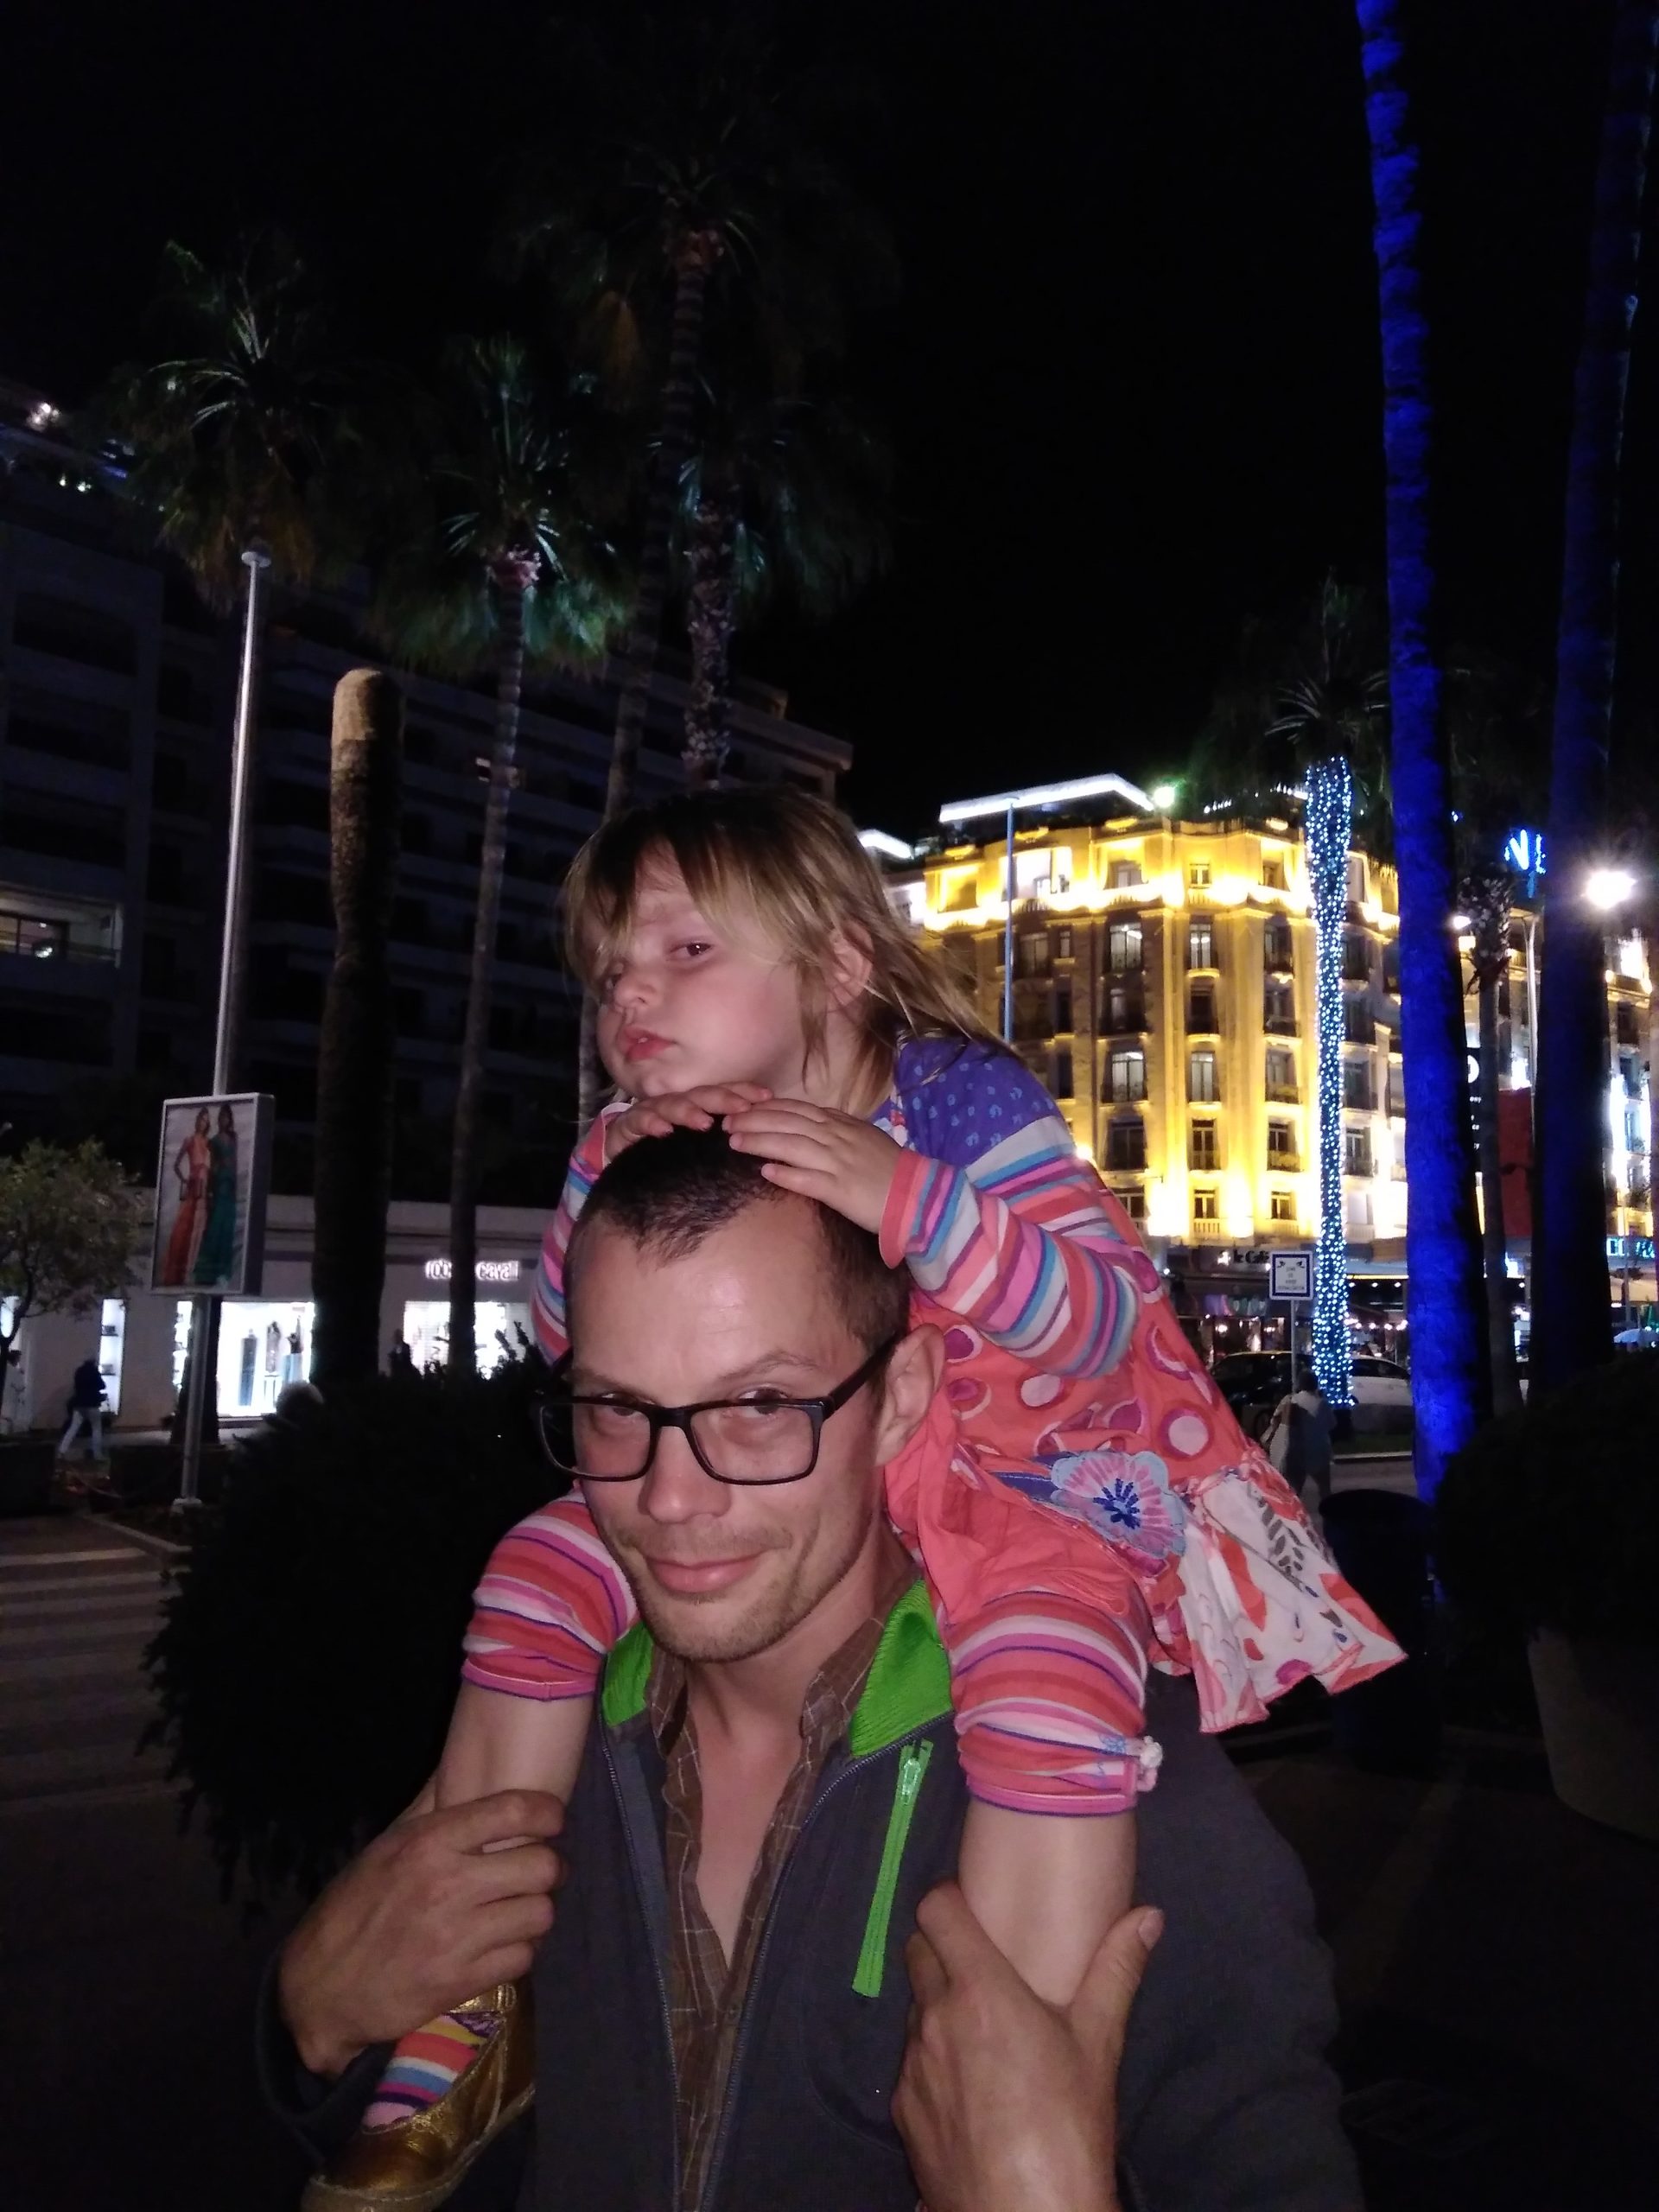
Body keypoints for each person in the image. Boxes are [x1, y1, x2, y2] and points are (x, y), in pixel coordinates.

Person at [314, 789, 1396, 2196]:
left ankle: (1014, 2053)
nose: (630, 998)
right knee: (533, 1565)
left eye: (684, 952)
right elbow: (577, 1341)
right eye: (611, 971)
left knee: (1051, 1685)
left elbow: (1104, 1318)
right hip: (826, 1498)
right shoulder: (636, 1141)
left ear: (834, 963)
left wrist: (912, 1201)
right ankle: (463, 1997)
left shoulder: (953, 1102)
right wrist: (605, 1184)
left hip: (1022, 1489)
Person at [1265, 1373, 1337, 1510]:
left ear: (1299, 1384)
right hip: (1318, 1452)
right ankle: (1328, 1514)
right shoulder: (1322, 1403)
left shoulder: (1291, 1400)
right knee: (1324, 1489)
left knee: (1295, 1491)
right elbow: (1332, 1424)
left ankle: (1295, 1517)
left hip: (1296, 1451)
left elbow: (1275, 1420)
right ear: (1315, 1384)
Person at [192, 1103, 240, 1287]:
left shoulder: (233, 1138)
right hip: (219, 1184)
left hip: (230, 1185)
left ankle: (223, 1270)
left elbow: (235, 1161)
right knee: (215, 1227)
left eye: (227, 1117)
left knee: (228, 1227)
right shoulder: (214, 1141)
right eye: (222, 1117)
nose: (224, 1120)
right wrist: (211, 1190)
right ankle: (207, 1270)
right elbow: (212, 1166)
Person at [162, 1108, 212, 1285]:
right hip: (193, 1187)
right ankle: (179, 1272)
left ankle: (193, 1270)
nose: (203, 1123)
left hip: (205, 1189)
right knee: (185, 1227)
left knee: (200, 1228)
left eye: (206, 1120)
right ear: (197, 1121)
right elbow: (176, 1165)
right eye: (201, 1119)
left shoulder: (208, 1143)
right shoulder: (190, 1141)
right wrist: (185, 1179)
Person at [58, 1355, 108, 1463]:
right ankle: (97, 1454)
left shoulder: (79, 1371)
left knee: (73, 1428)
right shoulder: (94, 1372)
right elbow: (102, 1385)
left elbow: (76, 1386)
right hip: (92, 1404)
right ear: (94, 1361)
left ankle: (62, 1451)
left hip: (79, 1404)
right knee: (96, 1429)